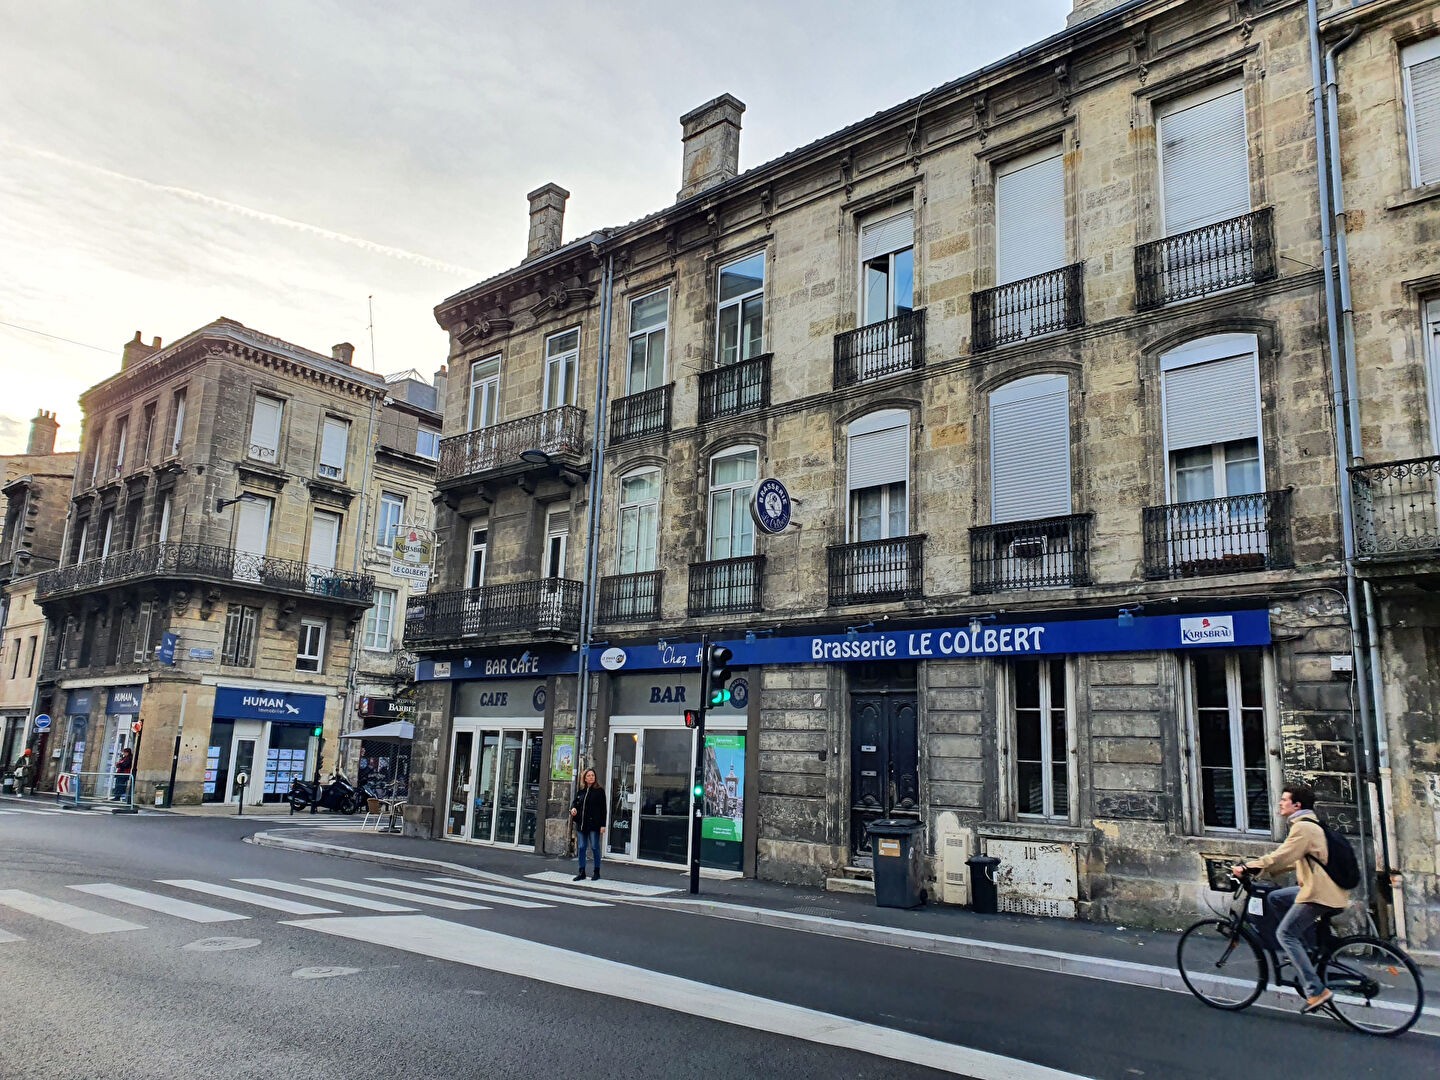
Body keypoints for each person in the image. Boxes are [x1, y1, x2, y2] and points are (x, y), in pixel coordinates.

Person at [1232, 784, 1349, 1012]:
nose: (1280, 803)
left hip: (1319, 893)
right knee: (1276, 898)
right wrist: (1263, 870)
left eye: (1284, 799)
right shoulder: (1311, 825)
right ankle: (1305, 951)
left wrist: (1248, 866)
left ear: (1297, 805)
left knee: (1284, 934)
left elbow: (1280, 857)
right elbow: (1295, 860)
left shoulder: (1303, 828)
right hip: (1323, 888)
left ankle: (1316, 990)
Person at [569, 768, 607, 881]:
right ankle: (582, 871)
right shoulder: (581, 791)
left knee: (595, 847)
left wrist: (603, 825)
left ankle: (597, 871)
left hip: (594, 824)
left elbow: (603, 809)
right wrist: (573, 809)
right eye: (589, 775)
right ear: (585, 778)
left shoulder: (599, 791)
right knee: (581, 847)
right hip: (582, 824)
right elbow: (575, 803)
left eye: (593, 775)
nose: (591, 777)